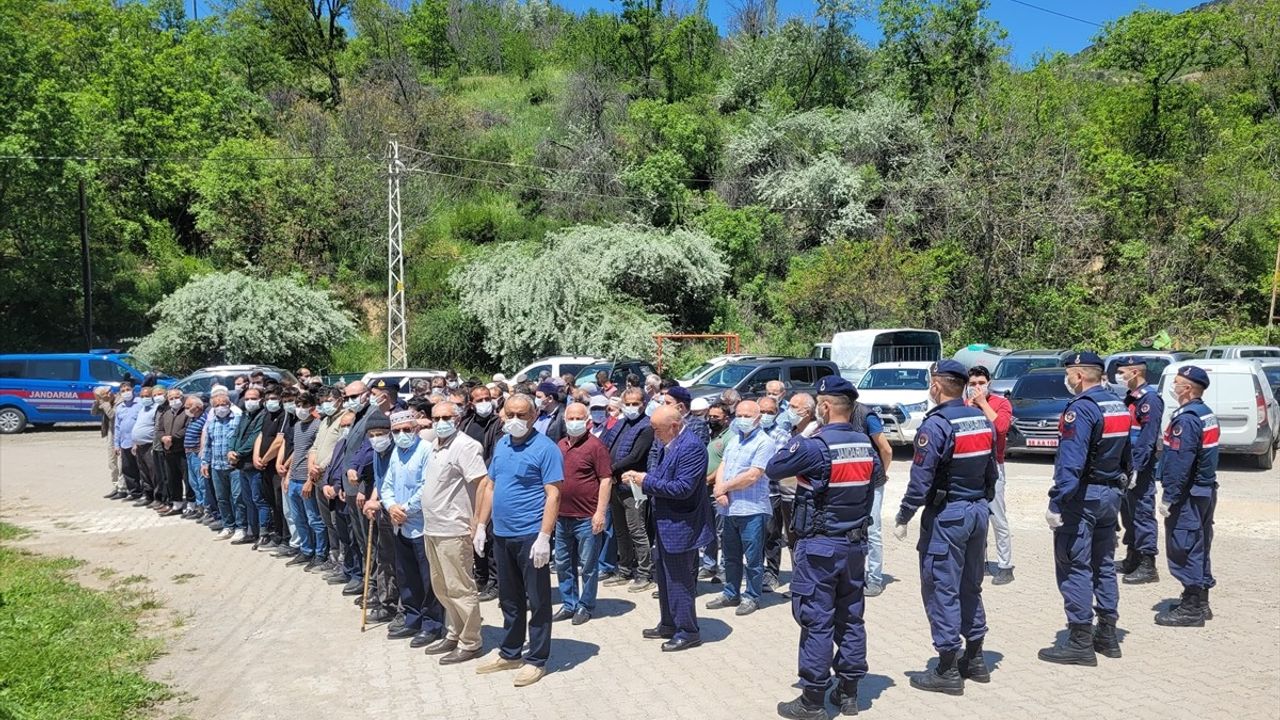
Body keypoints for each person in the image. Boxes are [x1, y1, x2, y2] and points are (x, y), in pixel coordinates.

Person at [767, 376, 881, 719]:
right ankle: (848, 693)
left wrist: (802, 433)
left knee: (817, 621)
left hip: (820, 547)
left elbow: (774, 468)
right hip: (855, 546)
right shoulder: (865, 445)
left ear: (826, 407)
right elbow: (872, 482)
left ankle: (813, 700)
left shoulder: (815, 445)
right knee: (851, 618)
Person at [893, 360, 998, 695]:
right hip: (978, 511)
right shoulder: (980, 418)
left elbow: (921, 479)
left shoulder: (936, 425)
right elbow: (991, 471)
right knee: (971, 584)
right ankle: (976, 659)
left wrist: (904, 514)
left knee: (941, 587)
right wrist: (982, 501)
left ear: (937, 385)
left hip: (948, 516)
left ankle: (947, 668)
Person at [1038, 352, 1131, 665]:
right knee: (1103, 564)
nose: (1067, 379)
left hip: (1083, 498)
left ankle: (1079, 640)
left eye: (1069, 373)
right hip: (1110, 495)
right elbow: (1128, 454)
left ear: (1078, 376)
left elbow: (1071, 462)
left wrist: (1056, 501)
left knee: (1074, 565)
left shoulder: (1081, 409)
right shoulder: (1116, 404)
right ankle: (1107, 635)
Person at [473, 394, 563, 687]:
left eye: (522, 415)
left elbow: (554, 494)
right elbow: (490, 486)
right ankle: (510, 651)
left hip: (530, 536)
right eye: (510, 414)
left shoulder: (545, 449)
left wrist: (544, 537)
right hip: (502, 535)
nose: (515, 420)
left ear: (534, 416)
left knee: (537, 600)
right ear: (502, 414)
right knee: (509, 599)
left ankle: (537, 658)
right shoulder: (502, 445)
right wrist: (481, 526)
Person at [624, 405, 712, 652]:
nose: (654, 434)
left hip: (681, 526)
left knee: (679, 580)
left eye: (657, 429)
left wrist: (646, 481)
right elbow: (662, 477)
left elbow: (683, 488)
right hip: (664, 524)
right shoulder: (669, 444)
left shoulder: (691, 447)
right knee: (663, 577)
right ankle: (669, 623)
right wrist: (640, 478)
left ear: (673, 426)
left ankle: (688, 631)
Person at [366, 410, 446, 647]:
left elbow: (426, 487)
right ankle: (413, 618)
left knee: (427, 578)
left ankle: (432, 624)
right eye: (397, 431)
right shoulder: (396, 454)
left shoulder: (426, 451)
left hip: (421, 524)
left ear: (416, 429)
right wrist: (391, 507)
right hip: (399, 523)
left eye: (406, 430)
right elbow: (387, 484)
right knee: (406, 575)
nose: (402, 435)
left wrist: (404, 509)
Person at [419, 401, 488, 664]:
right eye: (435, 418)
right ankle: (454, 631)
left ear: (457, 418)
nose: (440, 422)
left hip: (454, 528)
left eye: (446, 417)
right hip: (432, 527)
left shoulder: (465, 446)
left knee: (460, 586)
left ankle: (471, 641)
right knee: (442, 587)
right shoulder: (435, 446)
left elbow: (481, 483)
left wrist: (478, 521)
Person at [1154, 365, 1219, 627]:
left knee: (1185, 545)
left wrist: (1169, 496)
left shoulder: (1188, 419)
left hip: (1188, 494)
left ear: (1188, 389)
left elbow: (1181, 462)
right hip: (1203, 490)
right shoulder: (1204, 413)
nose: (1174, 387)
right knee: (1199, 544)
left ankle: (1192, 608)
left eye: (1178, 382)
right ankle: (1200, 602)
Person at [708, 399, 775, 616]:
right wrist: (719, 488)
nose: (743, 419)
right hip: (729, 508)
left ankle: (752, 596)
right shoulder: (735, 440)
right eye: (740, 415)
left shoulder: (765, 442)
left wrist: (724, 487)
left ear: (758, 418)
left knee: (753, 557)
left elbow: (753, 475)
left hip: (752, 509)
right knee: (730, 555)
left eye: (748, 416)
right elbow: (723, 466)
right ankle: (731, 592)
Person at [553, 402, 613, 626]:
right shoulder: (560, 445)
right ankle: (569, 603)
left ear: (587, 421)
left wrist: (600, 512)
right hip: (562, 516)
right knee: (562, 563)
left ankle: (585, 605)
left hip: (587, 517)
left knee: (588, 565)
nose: (574, 422)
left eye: (579, 418)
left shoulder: (596, 446)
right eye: (571, 418)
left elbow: (606, 480)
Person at [1114, 356, 1164, 585]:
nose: (1119, 376)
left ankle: (1147, 564)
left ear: (1134, 373)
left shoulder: (1150, 399)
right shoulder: (1131, 398)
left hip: (1140, 466)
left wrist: (1138, 467)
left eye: (1122, 372)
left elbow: (1147, 437)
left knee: (1142, 513)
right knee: (1129, 512)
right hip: (1127, 464)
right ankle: (1133, 556)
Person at [602, 387, 655, 593]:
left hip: (634, 485)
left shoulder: (647, 426)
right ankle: (625, 569)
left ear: (643, 403)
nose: (632, 407)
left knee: (637, 528)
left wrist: (609, 469)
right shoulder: (621, 423)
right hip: (615, 483)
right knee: (620, 530)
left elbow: (635, 456)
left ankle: (644, 572)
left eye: (636, 403)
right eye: (628, 403)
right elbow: (606, 446)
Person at [966, 366, 1015, 585]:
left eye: (981, 383)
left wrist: (983, 404)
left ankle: (1005, 565)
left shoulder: (1000, 403)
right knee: (977, 518)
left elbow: (1002, 427)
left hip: (993, 465)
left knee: (997, 517)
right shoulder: (965, 405)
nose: (977, 387)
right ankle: (980, 562)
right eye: (973, 384)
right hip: (970, 466)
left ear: (989, 383)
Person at [282, 392, 328, 572]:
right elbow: (298, 451)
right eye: (297, 405)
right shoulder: (297, 425)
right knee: (298, 517)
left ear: (312, 407)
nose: (300, 409)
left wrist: (310, 480)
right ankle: (306, 549)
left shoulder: (318, 425)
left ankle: (321, 553)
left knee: (314, 519)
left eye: (303, 405)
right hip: (294, 479)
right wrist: (288, 475)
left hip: (306, 480)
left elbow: (314, 453)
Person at [202, 392, 243, 541]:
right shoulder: (212, 423)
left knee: (237, 497)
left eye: (223, 404)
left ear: (229, 404)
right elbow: (208, 445)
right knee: (222, 498)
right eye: (217, 405)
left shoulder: (238, 419)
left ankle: (241, 527)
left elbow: (241, 440)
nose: (220, 408)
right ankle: (228, 526)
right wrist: (205, 462)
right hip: (216, 466)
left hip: (234, 467)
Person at [228, 386, 266, 545]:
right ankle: (252, 531)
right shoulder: (245, 415)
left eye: (253, 398)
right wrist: (231, 450)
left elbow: (254, 438)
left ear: (261, 400)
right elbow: (236, 434)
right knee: (247, 499)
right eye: (247, 399)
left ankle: (264, 532)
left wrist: (238, 453)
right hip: (242, 465)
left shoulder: (262, 415)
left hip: (253, 464)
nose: (249, 402)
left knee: (259, 499)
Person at [155, 387, 191, 517]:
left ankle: (191, 504)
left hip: (182, 450)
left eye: (176, 397)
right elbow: (159, 430)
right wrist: (163, 438)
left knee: (187, 479)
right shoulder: (166, 413)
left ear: (181, 398)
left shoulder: (187, 412)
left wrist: (173, 437)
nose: (174, 400)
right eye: (171, 398)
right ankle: (177, 503)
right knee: (172, 478)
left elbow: (187, 429)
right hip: (168, 451)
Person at [131, 385, 161, 507]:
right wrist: (135, 443)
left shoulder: (156, 409)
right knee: (143, 472)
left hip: (150, 445)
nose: (144, 398)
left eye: (147, 396)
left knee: (154, 472)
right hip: (140, 446)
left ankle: (157, 497)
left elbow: (157, 428)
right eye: (142, 396)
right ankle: (147, 495)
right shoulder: (142, 409)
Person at [113, 382, 142, 501]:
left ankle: (146, 492)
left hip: (139, 443)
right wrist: (116, 444)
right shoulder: (120, 407)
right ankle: (134, 492)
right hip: (125, 443)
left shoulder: (140, 403)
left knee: (142, 468)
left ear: (133, 389)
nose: (126, 392)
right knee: (128, 469)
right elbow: (117, 427)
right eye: (123, 391)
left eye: (128, 389)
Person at [182, 396, 208, 520]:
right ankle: (199, 505)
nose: (186, 409)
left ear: (197, 407)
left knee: (201, 482)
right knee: (193, 482)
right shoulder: (192, 419)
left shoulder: (204, 418)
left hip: (197, 454)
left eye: (188, 407)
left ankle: (206, 508)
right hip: (189, 454)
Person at [94, 386, 122, 499]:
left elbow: (112, 415)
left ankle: (122, 487)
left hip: (120, 433)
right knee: (112, 462)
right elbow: (94, 412)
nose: (108, 394)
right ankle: (115, 485)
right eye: (102, 395)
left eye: (107, 393)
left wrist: (104, 403)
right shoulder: (104, 401)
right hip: (111, 433)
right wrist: (97, 402)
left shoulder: (119, 401)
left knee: (120, 462)